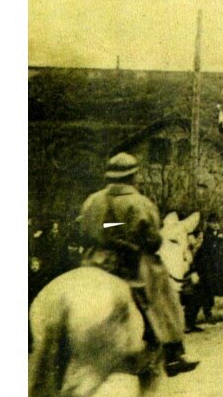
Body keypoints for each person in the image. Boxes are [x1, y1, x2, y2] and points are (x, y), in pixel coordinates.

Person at [77, 152, 198, 376]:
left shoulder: (92, 201)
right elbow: (152, 241)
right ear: (132, 176)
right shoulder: (140, 202)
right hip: (128, 263)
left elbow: (83, 230)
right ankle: (173, 352)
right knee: (163, 291)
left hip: (93, 261)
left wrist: (107, 229)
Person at [202, 213, 223, 297]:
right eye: (213, 223)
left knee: (220, 274)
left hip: (219, 259)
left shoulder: (221, 234)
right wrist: (216, 239)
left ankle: (220, 291)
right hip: (210, 259)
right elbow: (207, 247)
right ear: (209, 223)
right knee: (211, 274)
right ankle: (211, 291)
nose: (216, 225)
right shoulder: (206, 234)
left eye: (217, 223)